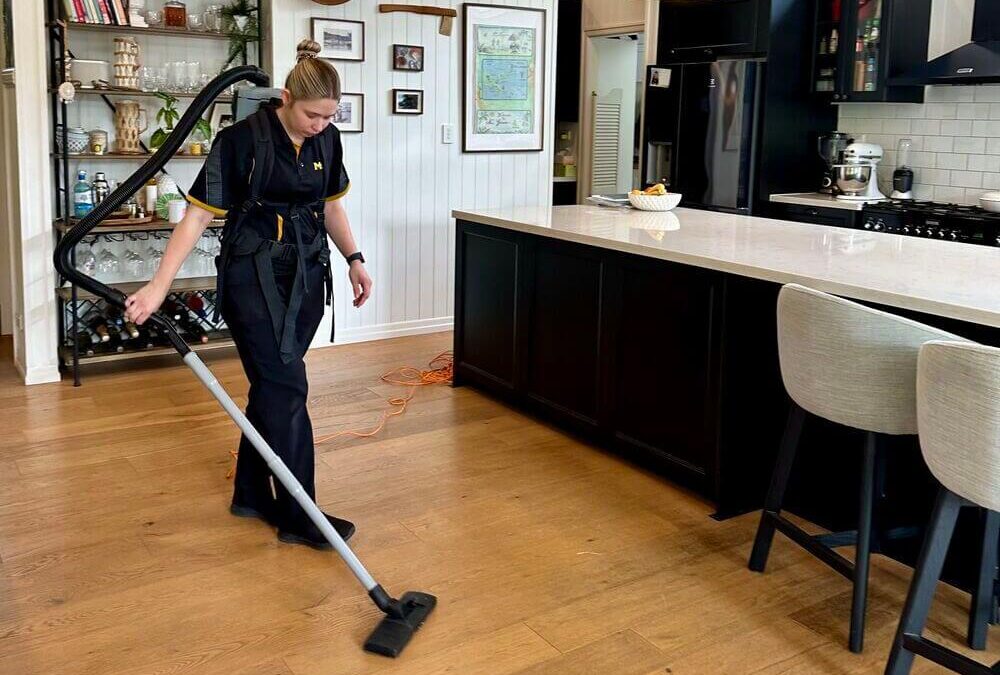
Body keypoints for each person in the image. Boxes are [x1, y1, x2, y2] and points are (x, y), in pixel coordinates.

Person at [125, 39, 373, 550]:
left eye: (329, 117)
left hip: (305, 277)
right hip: (251, 277)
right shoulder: (240, 140)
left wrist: (355, 259)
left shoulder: (328, 140)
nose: (320, 125)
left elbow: (330, 208)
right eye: (312, 115)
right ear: (285, 97)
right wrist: (157, 286)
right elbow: (197, 215)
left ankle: (251, 492)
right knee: (286, 388)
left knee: (270, 386)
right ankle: (301, 516)